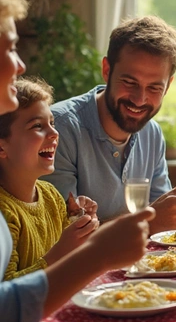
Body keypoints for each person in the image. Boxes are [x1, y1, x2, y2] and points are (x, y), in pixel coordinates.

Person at [0, 0, 154, 322]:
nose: (19, 64)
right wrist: (95, 253)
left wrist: (82, 228)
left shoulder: (51, 198)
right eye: (8, 48)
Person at [42, 15, 176, 233]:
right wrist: (148, 223)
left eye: (154, 88)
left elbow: (164, 223)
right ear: (107, 70)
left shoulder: (152, 134)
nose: (139, 99)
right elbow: (61, 235)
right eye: (129, 82)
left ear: (168, 86)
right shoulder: (58, 129)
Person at [0, 78, 101, 280]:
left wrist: (78, 222)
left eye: (52, 123)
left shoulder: (51, 196)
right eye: (38, 126)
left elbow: (70, 264)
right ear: (2, 147)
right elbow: (6, 293)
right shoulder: (4, 214)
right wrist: (61, 252)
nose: (54, 133)